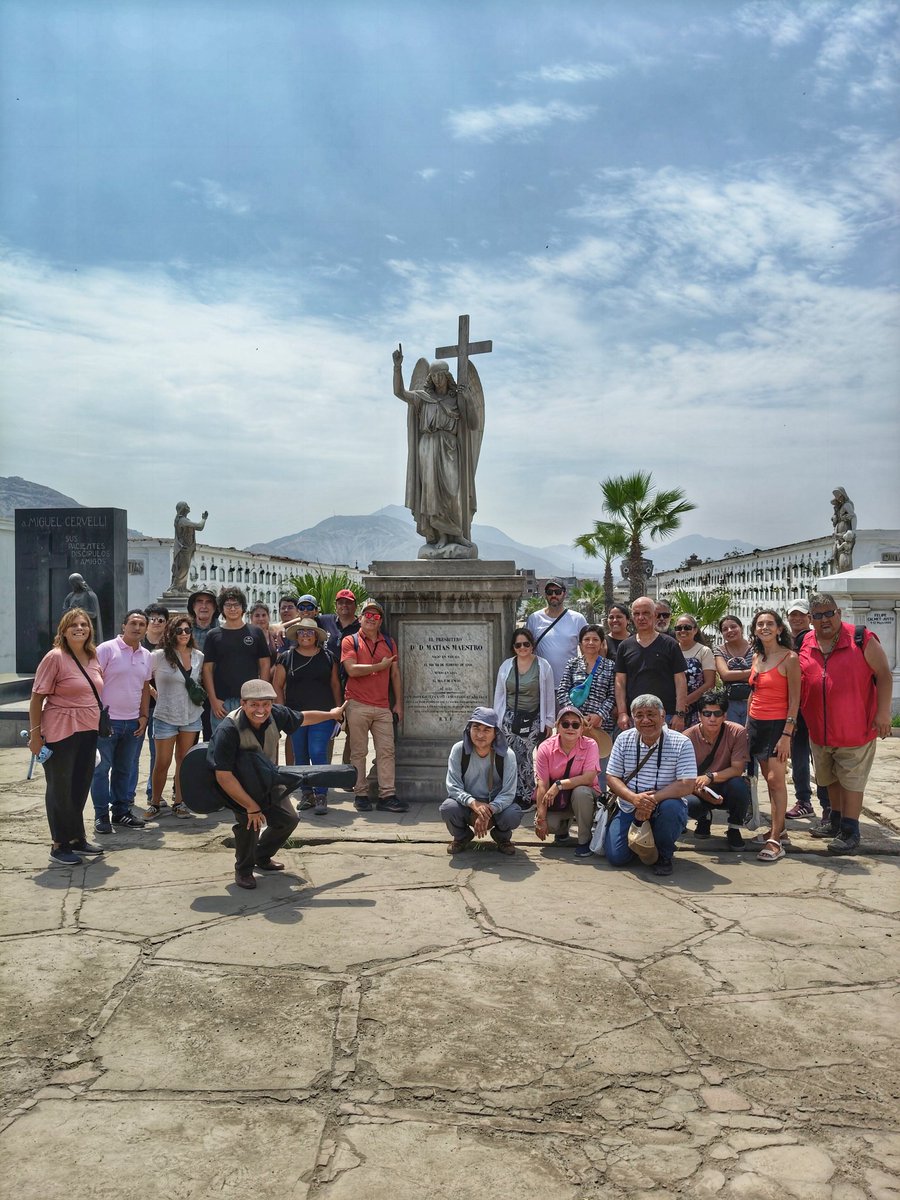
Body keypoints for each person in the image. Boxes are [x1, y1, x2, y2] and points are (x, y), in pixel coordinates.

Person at [207, 679, 344, 889]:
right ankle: (243, 870)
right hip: (238, 785)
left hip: (267, 779)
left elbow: (304, 718)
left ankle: (261, 856)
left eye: (265, 704)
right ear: (243, 704)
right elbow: (223, 776)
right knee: (249, 824)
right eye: (254, 705)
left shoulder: (275, 714)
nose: (260, 710)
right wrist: (251, 807)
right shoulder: (228, 729)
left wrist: (332, 714)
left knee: (289, 819)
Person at [799, 592, 893, 854]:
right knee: (830, 778)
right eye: (818, 616)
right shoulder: (807, 642)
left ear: (839, 613)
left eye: (830, 613)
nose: (824, 619)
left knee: (851, 781)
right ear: (810, 619)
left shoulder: (861, 639)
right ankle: (836, 821)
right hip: (820, 729)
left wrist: (883, 712)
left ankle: (851, 831)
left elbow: (884, 675)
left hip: (855, 728)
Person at [28, 609, 105, 865]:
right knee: (60, 788)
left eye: (84, 624)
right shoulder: (55, 657)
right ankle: (59, 844)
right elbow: (37, 697)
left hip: (88, 728)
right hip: (60, 729)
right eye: (73, 624)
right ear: (64, 629)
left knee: (80, 785)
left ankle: (76, 838)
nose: (79, 628)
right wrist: (35, 735)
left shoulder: (92, 656)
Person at [392, 347, 483, 555]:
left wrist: (467, 398)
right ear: (430, 378)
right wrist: (397, 368)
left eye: (441, 376)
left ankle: (457, 533)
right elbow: (400, 393)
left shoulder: (456, 399)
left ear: (447, 377)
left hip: (450, 448)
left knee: (452, 492)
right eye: (434, 376)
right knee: (432, 494)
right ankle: (441, 535)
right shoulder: (422, 398)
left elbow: (474, 423)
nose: (438, 380)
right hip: (428, 447)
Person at [605, 694, 697, 877]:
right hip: (629, 804)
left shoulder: (682, 742)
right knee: (617, 858)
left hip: (663, 803)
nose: (645, 720)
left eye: (651, 714)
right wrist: (634, 799)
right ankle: (645, 840)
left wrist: (651, 800)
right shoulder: (624, 739)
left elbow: (687, 785)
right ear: (633, 718)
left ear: (663, 717)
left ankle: (664, 854)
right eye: (639, 715)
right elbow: (611, 777)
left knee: (672, 808)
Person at [91, 610, 153, 834]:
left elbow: (145, 687)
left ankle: (120, 812)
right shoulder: (107, 649)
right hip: (107, 722)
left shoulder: (147, 655)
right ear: (124, 625)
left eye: (142, 624)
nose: (137, 628)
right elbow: (93, 680)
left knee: (124, 770)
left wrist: (144, 716)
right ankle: (101, 816)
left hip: (132, 722)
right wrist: (96, 714)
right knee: (101, 770)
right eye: (133, 623)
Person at [747, 609, 801, 863]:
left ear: (780, 629)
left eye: (770, 623)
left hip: (778, 725)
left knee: (775, 780)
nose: (765, 627)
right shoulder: (757, 657)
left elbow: (795, 700)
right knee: (769, 782)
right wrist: (748, 726)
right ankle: (779, 830)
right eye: (760, 624)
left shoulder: (790, 658)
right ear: (755, 629)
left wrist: (787, 734)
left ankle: (776, 842)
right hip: (757, 725)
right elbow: (753, 693)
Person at [341, 599, 405, 814]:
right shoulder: (350, 641)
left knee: (387, 751)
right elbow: (351, 670)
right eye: (367, 615)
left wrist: (399, 703)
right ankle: (361, 794)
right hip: (357, 703)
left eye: (375, 616)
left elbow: (394, 674)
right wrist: (379, 667)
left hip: (382, 705)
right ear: (360, 618)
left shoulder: (389, 642)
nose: (371, 619)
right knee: (359, 751)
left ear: (380, 621)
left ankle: (387, 795)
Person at [273, 617, 341, 815]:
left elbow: (335, 684)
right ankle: (306, 793)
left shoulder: (328, 657)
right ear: (296, 635)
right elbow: (277, 685)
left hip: (323, 713)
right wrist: (281, 710)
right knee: (300, 754)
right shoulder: (286, 657)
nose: (305, 635)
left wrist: (338, 712)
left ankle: (321, 793)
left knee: (317, 751)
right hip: (296, 714)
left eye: (309, 632)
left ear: (316, 636)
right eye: (301, 632)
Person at [144, 616, 204, 820]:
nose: (184, 634)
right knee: (162, 761)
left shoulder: (198, 656)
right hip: (165, 714)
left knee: (184, 761)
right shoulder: (158, 656)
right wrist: (154, 693)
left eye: (188, 630)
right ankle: (155, 802)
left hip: (191, 714)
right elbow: (142, 679)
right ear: (171, 632)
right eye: (179, 630)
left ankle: (180, 802)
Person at [440, 707, 521, 856]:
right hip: (467, 804)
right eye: (476, 728)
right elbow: (453, 786)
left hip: (496, 806)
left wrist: (488, 810)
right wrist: (473, 803)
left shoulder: (507, 755)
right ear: (469, 729)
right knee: (448, 808)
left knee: (514, 813)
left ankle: (502, 837)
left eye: (486, 730)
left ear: (495, 733)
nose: (480, 734)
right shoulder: (459, 750)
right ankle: (461, 836)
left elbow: (509, 792)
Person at [492, 627, 555, 808]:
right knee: (509, 755)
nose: (522, 648)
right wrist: (497, 721)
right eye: (518, 645)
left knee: (525, 754)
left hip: (533, 718)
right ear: (514, 647)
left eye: (526, 644)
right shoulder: (506, 666)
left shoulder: (543, 666)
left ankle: (526, 795)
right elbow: (500, 694)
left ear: (532, 645)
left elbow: (549, 695)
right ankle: (511, 792)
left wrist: (549, 721)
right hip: (510, 718)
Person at [684, 690, 749, 850]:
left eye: (717, 713)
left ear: (724, 715)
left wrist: (710, 777)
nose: (712, 718)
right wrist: (702, 792)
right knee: (686, 803)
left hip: (725, 784)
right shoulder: (687, 737)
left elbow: (737, 769)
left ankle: (734, 828)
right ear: (699, 715)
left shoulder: (737, 732)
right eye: (707, 713)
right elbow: (682, 777)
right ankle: (704, 816)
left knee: (740, 786)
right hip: (696, 788)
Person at [534, 706, 601, 857]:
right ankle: (562, 832)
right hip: (558, 799)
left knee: (581, 792)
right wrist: (541, 818)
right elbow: (542, 784)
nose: (570, 728)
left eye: (575, 724)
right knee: (549, 824)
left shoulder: (591, 745)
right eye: (565, 724)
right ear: (557, 726)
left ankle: (584, 841)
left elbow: (588, 778)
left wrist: (559, 785)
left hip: (585, 797)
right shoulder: (545, 748)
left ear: (582, 729)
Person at [785, 600, 831, 822]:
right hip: (795, 707)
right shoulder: (785, 641)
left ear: (809, 618)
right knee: (800, 756)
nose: (797, 619)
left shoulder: (814, 639)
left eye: (801, 615)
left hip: (815, 705)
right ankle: (804, 800)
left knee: (820, 757)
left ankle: (828, 805)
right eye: (793, 615)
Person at [201, 587, 270, 732]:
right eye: (228, 605)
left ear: (243, 608)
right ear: (222, 609)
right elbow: (207, 669)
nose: (232, 609)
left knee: (250, 745)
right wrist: (213, 700)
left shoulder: (255, 632)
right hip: (222, 702)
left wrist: (260, 697)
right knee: (222, 746)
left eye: (236, 605)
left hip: (249, 700)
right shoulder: (213, 635)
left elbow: (264, 665)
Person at [614, 596, 688, 732]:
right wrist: (622, 713)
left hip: (666, 716)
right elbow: (620, 682)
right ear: (632, 618)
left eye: (646, 613)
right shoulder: (624, 646)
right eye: (636, 614)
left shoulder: (670, 644)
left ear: (654, 615)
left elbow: (680, 680)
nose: (641, 617)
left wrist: (680, 714)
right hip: (635, 717)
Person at [556, 624, 616, 782]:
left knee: (599, 769)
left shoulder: (610, 666)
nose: (591, 643)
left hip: (600, 727)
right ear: (580, 643)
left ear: (602, 642)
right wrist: (577, 717)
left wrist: (599, 715)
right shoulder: (572, 664)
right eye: (586, 639)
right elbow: (562, 691)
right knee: (572, 767)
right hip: (573, 726)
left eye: (595, 639)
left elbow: (612, 695)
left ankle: (599, 803)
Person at [128, 602, 168, 811]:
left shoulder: (168, 647)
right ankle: (128, 795)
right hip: (137, 707)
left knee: (157, 753)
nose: (156, 623)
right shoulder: (138, 647)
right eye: (152, 619)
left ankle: (154, 793)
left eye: (161, 619)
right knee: (132, 753)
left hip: (160, 708)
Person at [526, 580, 587, 687]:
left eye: (557, 592)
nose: (553, 595)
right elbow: (527, 650)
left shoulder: (578, 619)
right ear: (545, 595)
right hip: (541, 685)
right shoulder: (534, 618)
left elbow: (586, 650)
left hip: (569, 685)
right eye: (550, 592)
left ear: (564, 593)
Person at [187, 586, 219, 740]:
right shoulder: (183, 630)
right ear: (193, 607)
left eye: (208, 602)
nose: (204, 606)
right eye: (199, 601)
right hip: (189, 692)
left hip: (216, 692)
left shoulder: (224, 630)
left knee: (212, 738)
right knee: (188, 741)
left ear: (215, 607)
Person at [672, 614, 716, 725]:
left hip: (696, 707)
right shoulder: (670, 650)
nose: (682, 631)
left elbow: (710, 683)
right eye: (679, 628)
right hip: (672, 707)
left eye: (687, 627)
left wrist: (684, 701)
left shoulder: (704, 651)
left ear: (695, 630)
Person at [713, 614, 753, 728]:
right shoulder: (719, 650)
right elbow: (725, 675)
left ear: (741, 627)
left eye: (733, 627)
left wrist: (733, 675)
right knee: (733, 736)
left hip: (753, 700)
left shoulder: (755, 647)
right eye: (725, 629)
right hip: (730, 703)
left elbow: (761, 674)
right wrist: (752, 672)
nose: (730, 631)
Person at [169, 502, 208, 592]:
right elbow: (199, 526)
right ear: (182, 508)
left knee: (185, 568)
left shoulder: (185, 520)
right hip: (183, 549)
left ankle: (182, 587)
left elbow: (199, 528)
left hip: (188, 548)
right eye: (186, 506)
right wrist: (204, 519)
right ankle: (176, 587)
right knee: (182, 568)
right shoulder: (182, 520)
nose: (188, 507)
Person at [62, 573, 103, 641]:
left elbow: (94, 614)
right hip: (72, 628)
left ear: (79, 583)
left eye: (74, 583)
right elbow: (64, 613)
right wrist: (69, 610)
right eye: (71, 584)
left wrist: (78, 611)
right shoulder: (70, 596)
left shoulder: (90, 595)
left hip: (86, 628)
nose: (73, 586)